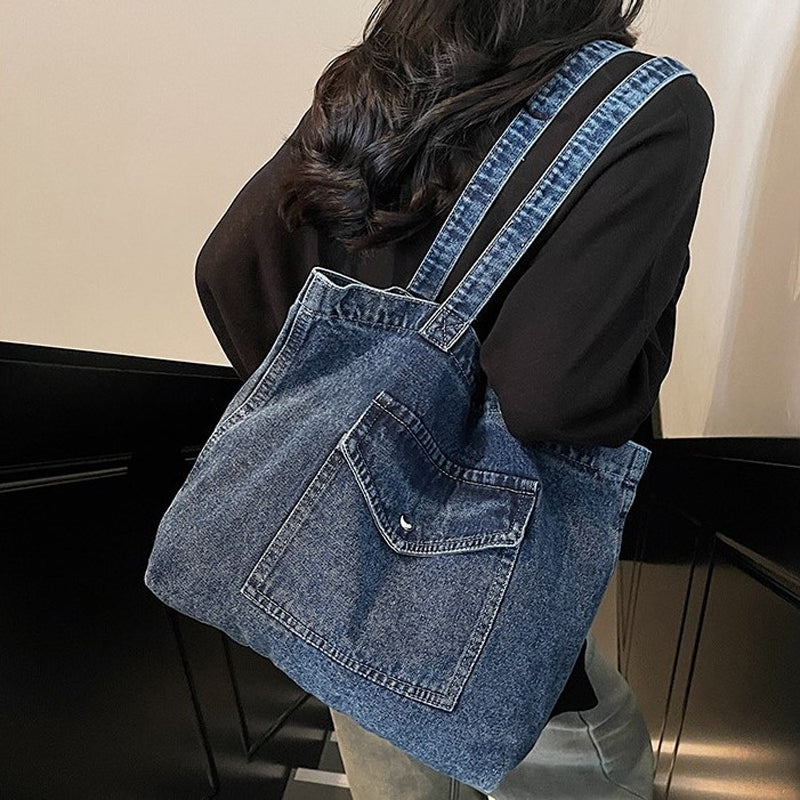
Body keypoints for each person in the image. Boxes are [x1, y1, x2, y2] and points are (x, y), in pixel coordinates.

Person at [193, 1, 714, 797]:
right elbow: (547, 397)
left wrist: (340, 414)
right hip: (489, 619)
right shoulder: (647, 104)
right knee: (603, 757)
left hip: (340, 604)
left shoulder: (378, 81)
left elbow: (227, 269)